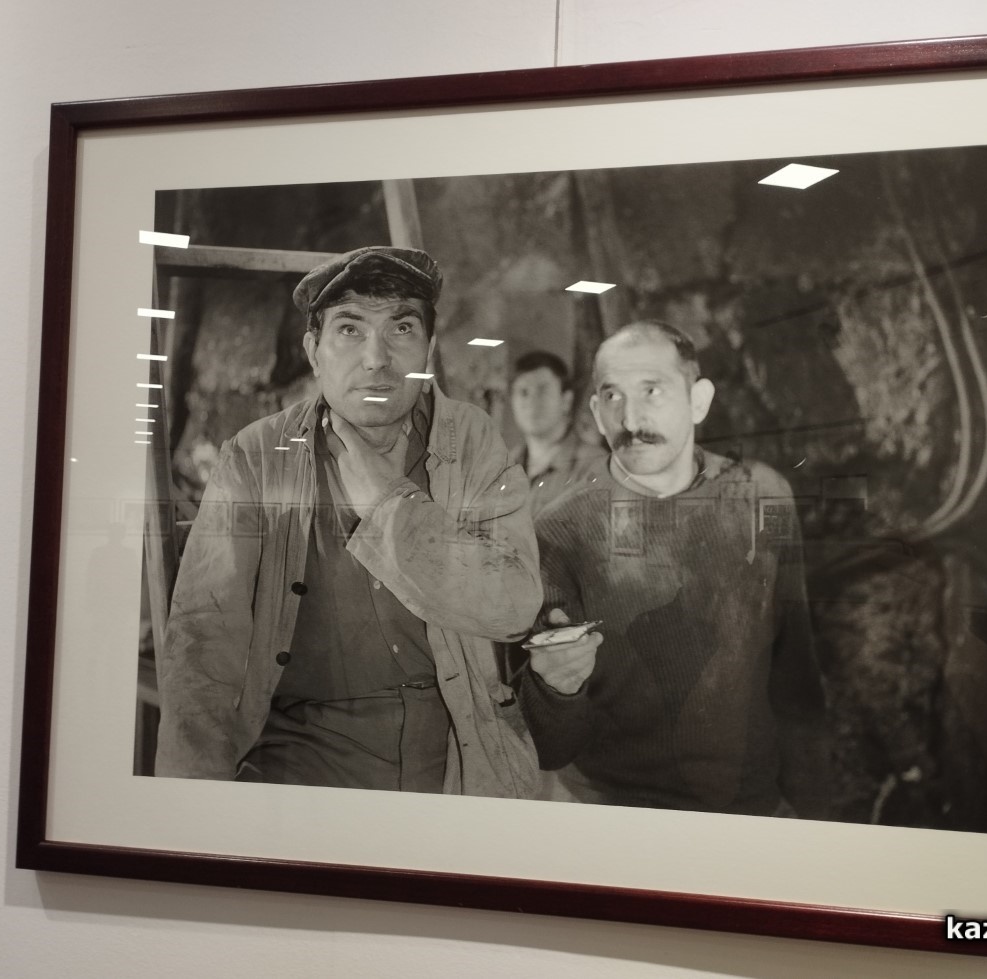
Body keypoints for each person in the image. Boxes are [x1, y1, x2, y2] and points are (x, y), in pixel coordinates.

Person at [155, 245, 542, 799]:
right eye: (349, 329)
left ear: (430, 347)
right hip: (303, 759)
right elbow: (204, 643)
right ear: (313, 351)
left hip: (455, 753)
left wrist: (386, 498)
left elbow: (515, 605)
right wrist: (192, 802)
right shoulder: (257, 455)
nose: (376, 358)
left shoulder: (472, 440)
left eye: (402, 328)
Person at [516, 321, 830, 817]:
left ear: (698, 401)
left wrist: (812, 815)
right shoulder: (559, 531)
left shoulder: (761, 495)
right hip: (614, 816)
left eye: (652, 390)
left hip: (752, 808)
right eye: (613, 396)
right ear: (596, 413)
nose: (631, 417)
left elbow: (796, 677)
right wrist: (555, 688)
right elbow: (550, 748)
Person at [507, 351, 605, 516]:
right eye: (523, 392)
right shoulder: (504, 467)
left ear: (566, 400)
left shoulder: (594, 465)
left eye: (543, 391)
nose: (532, 402)